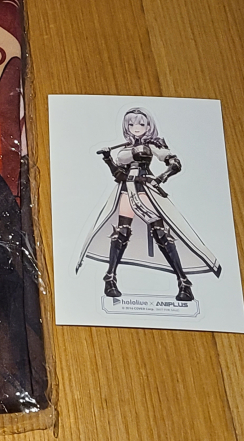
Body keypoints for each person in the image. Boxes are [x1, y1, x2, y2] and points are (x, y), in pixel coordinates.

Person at [76, 107, 221, 301]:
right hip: (127, 189)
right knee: (121, 231)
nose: (136, 127)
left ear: (148, 126)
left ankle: (184, 282)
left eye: (141, 124)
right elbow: (119, 175)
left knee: (160, 233)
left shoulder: (152, 144)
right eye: (131, 124)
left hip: (145, 188)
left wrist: (162, 177)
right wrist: (108, 159)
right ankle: (110, 278)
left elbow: (175, 163)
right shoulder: (125, 148)